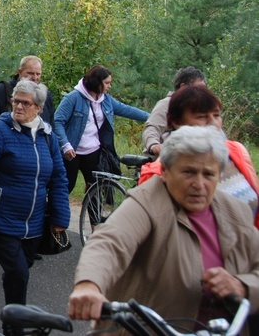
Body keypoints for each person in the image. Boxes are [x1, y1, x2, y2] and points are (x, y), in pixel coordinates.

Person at [68, 126, 259, 331]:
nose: (199, 184)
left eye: (209, 174)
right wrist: (89, 284)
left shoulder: (236, 212)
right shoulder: (147, 201)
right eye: (188, 172)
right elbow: (109, 242)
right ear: (165, 172)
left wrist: (243, 286)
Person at [0, 80, 69, 321]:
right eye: (15, 101)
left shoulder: (46, 135)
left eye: (25, 103)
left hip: (34, 221)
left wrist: (60, 216)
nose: (18, 106)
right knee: (19, 272)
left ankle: (13, 312)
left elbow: (59, 178)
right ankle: (15, 325)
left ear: (38, 107)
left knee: (20, 269)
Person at [139, 85, 259, 226]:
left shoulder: (236, 151)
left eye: (216, 115)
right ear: (177, 122)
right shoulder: (160, 172)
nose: (213, 123)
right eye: (201, 117)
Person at [53, 65, 149, 193]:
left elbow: (126, 110)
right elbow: (58, 121)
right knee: (66, 187)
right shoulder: (73, 98)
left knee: (95, 190)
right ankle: (53, 211)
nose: (109, 86)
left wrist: (151, 117)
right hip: (71, 153)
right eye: (107, 83)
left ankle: (95, 213)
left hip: (93, 152)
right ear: (96, 82)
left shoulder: (106, 100)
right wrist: (65, 145)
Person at [142, 66, 205, 157]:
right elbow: (152, 128)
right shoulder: (166, 105)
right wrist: (154, 145)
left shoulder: (201, 109)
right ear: (183, 87)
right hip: (161, 161)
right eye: (198, 88)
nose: (202, 93)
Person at [0, 55, 55, 127]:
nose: (35, 78)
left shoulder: (45, 96)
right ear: (20, 72)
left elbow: (51, 126)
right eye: (30, 73)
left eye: (38, 74)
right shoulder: (1, 90)